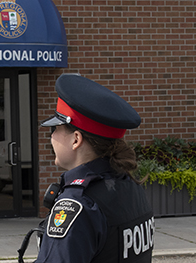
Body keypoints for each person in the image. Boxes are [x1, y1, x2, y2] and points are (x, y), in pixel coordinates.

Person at [35, 74, 154, 262]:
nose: (52, 137)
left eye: (56, 129)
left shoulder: (78, 205)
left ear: (76, 139)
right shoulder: (128, 185)